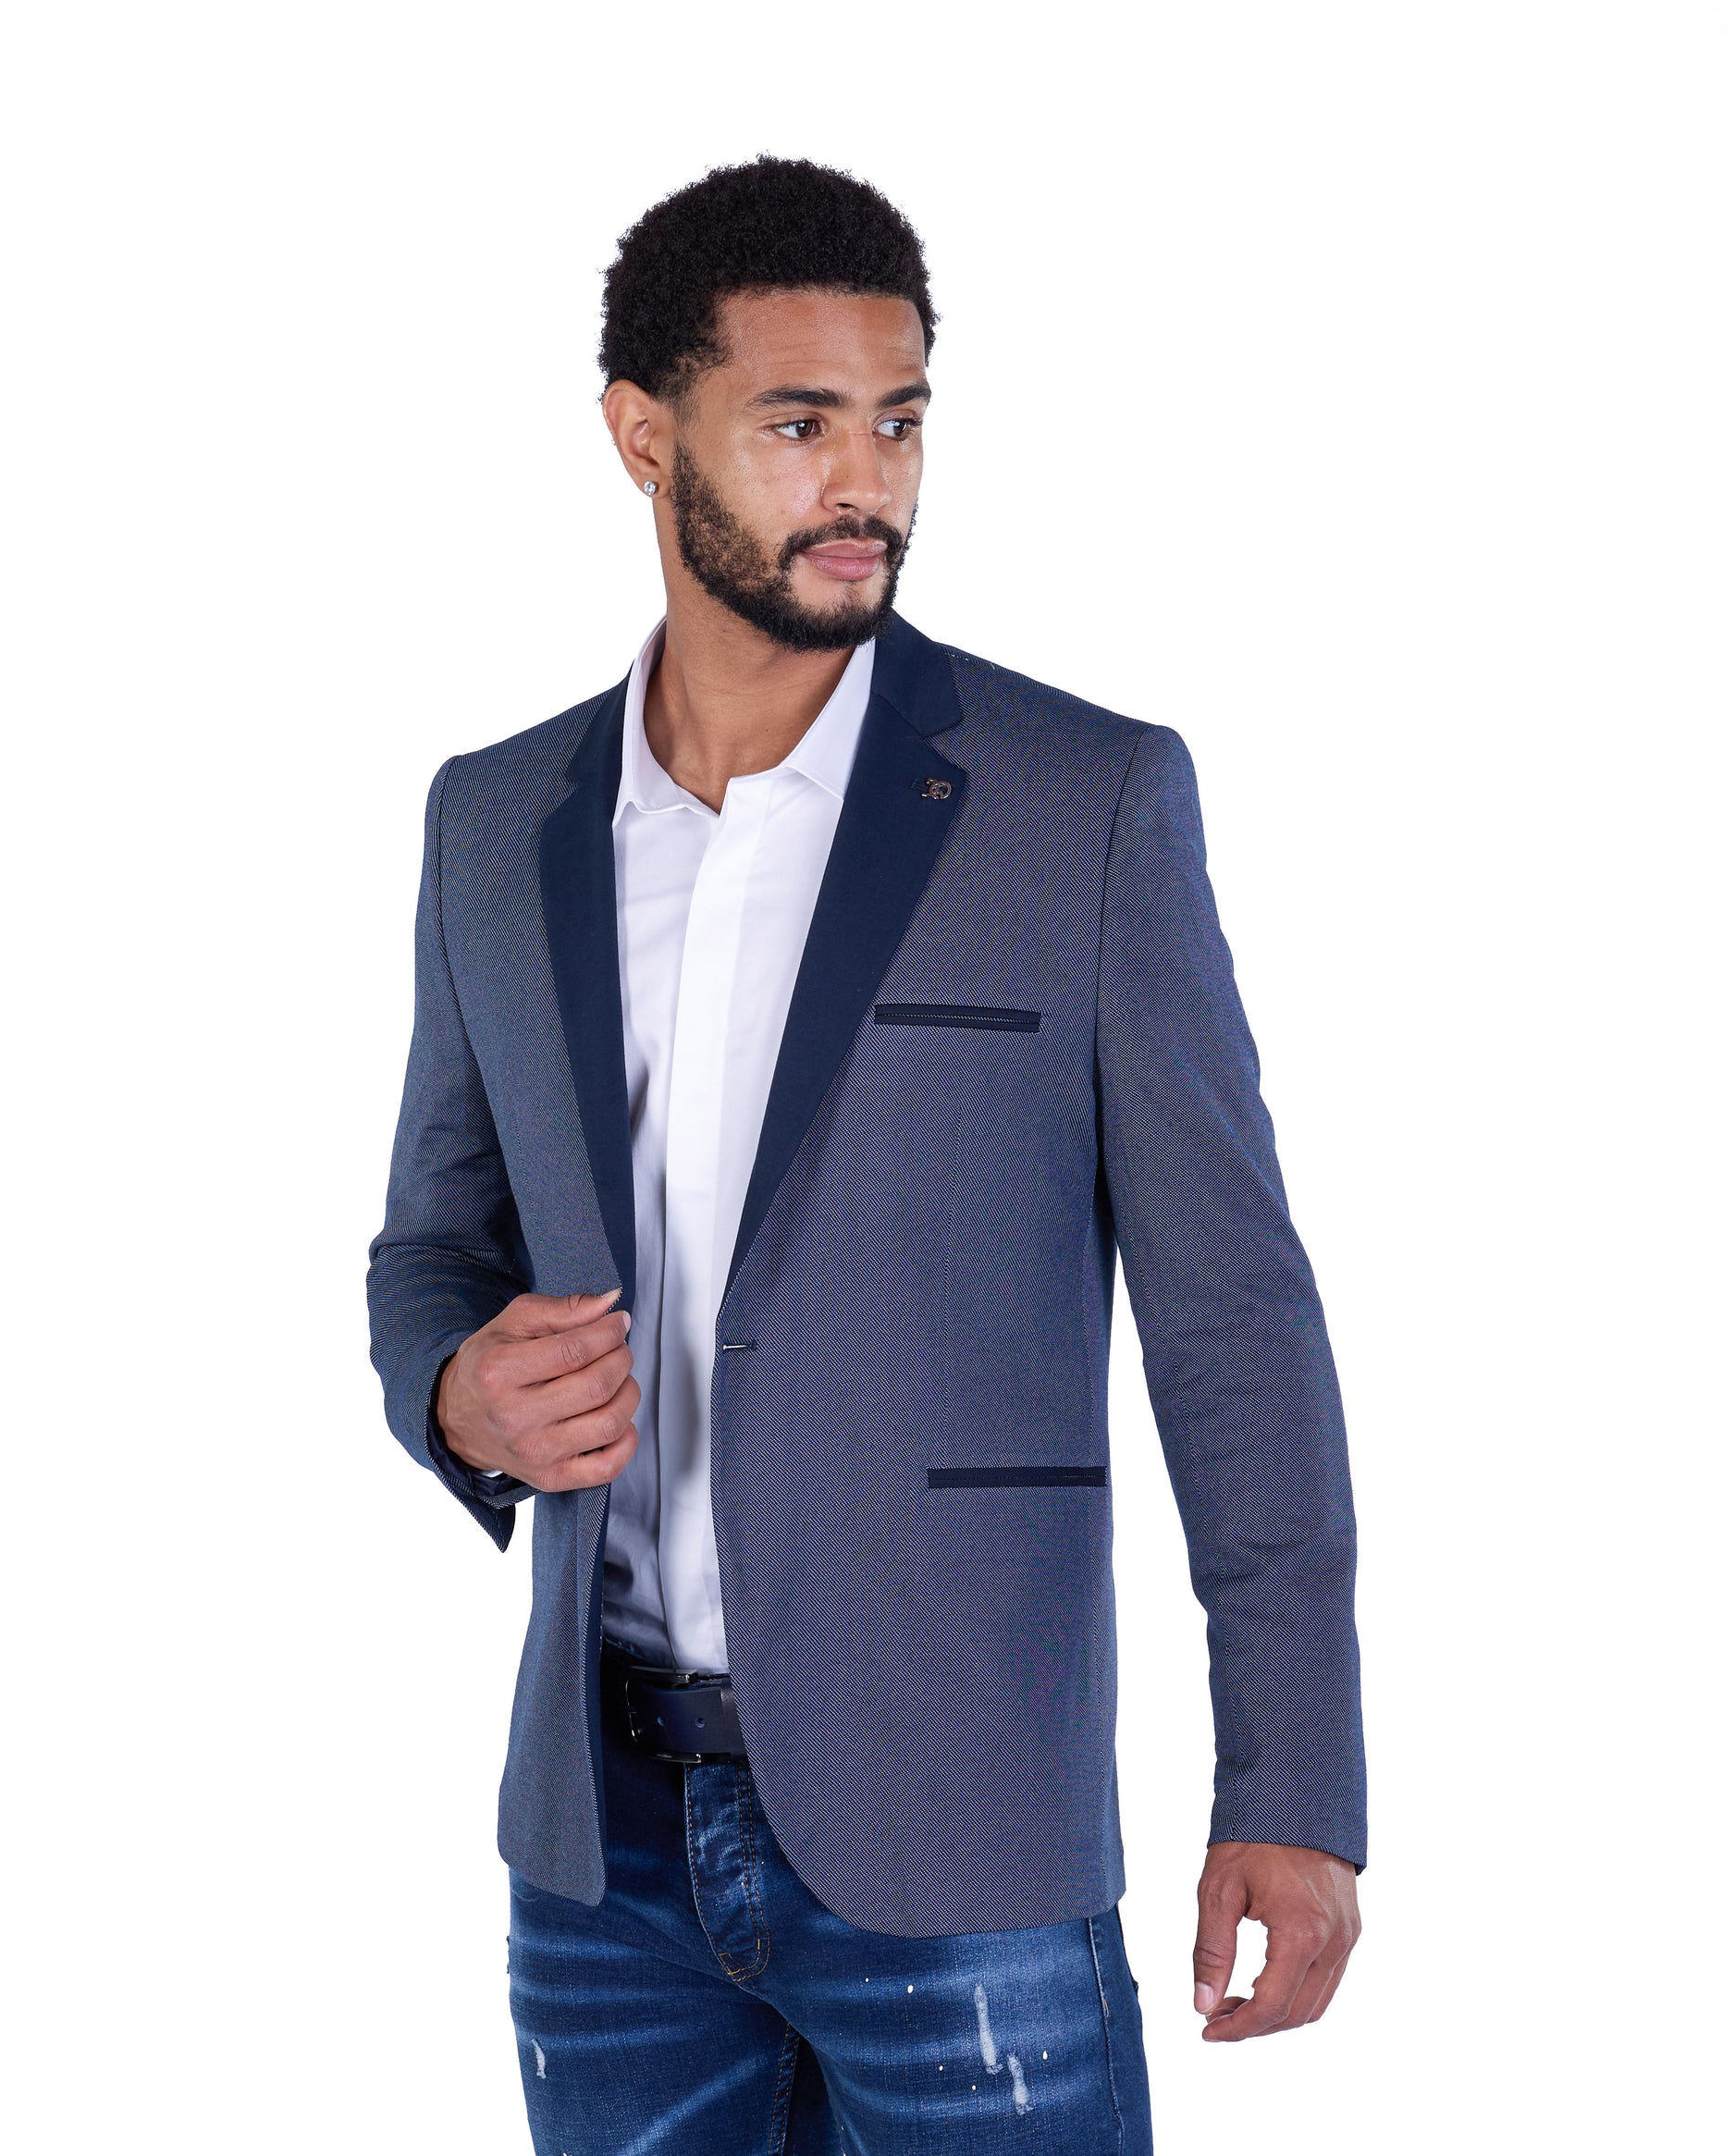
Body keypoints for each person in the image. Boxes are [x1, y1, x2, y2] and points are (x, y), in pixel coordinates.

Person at [367, 154, 1363, 2155]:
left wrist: (1293, 1784)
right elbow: (429, 1246)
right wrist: (458, 1392)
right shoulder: (496, 823)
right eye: (798, 423)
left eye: (899, 422)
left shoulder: (1079, 802)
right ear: (641, 435)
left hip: (964, 1820)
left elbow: (1234, 1324)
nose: (866, 485)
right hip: (599, 1856)